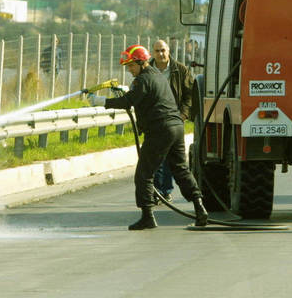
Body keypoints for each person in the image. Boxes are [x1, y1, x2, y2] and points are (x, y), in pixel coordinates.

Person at [88, 44, 208, 230]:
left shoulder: (143, 79)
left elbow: (128, 101)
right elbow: (137, 97)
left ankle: (147, 217)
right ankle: (200, 208)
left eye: (131, 66)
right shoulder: (156, 76)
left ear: (140, 62)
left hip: (160, 129)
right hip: (176, 127)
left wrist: (101, 101)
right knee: (181, 170)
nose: (129, 70)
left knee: (144, 174)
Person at [148, 39, 194, 203]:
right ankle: (157, 191)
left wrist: (183, 115)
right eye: (157, 51)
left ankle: (167, 191)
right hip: (154, 121)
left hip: (174, 122)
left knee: (171, 159)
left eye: (163, 50)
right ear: (152, 53)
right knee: (154, 159)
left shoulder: (180, 70)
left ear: (168, 51)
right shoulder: (147, 70)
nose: (160, 54)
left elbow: (189, 94)